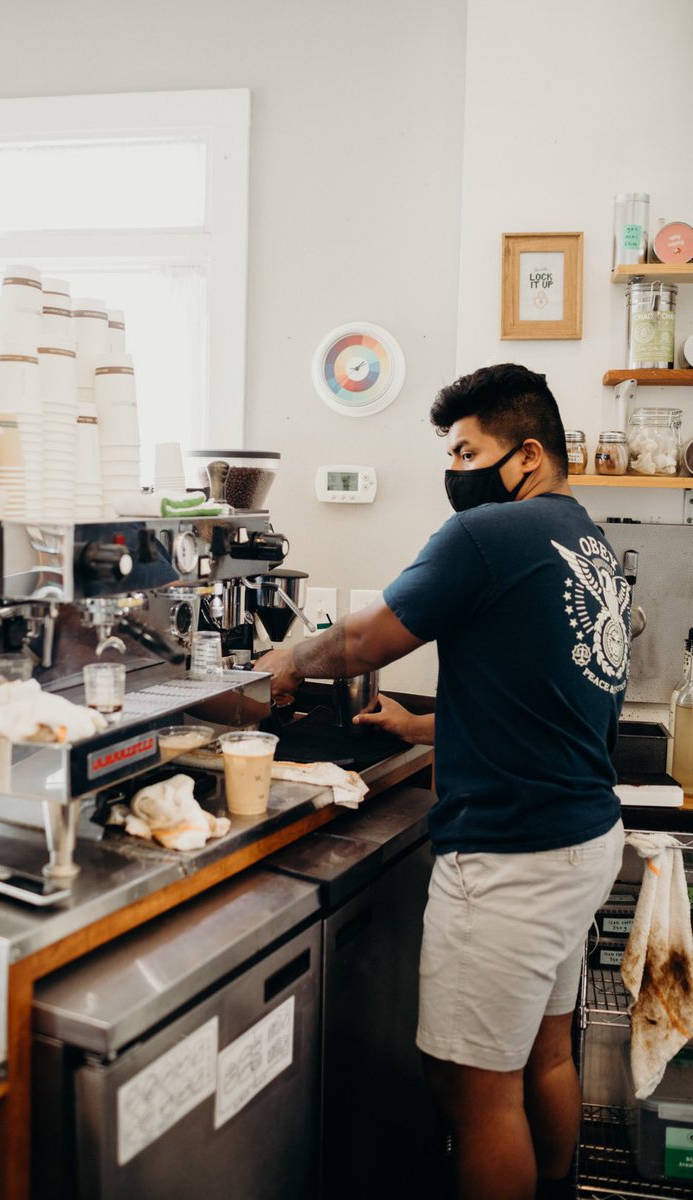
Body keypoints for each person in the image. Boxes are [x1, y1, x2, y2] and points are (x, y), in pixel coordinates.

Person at [258, 363, 629, 1200]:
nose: (454, 469)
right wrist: (421, 726)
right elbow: (548, 696)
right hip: (580, 838)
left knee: (473, 1088)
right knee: (548, 1053)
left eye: (467, 449)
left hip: (510, 857)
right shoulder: (585, 542)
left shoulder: (486, 535)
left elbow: (362, 642)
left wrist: (285, 660)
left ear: (526, 455)